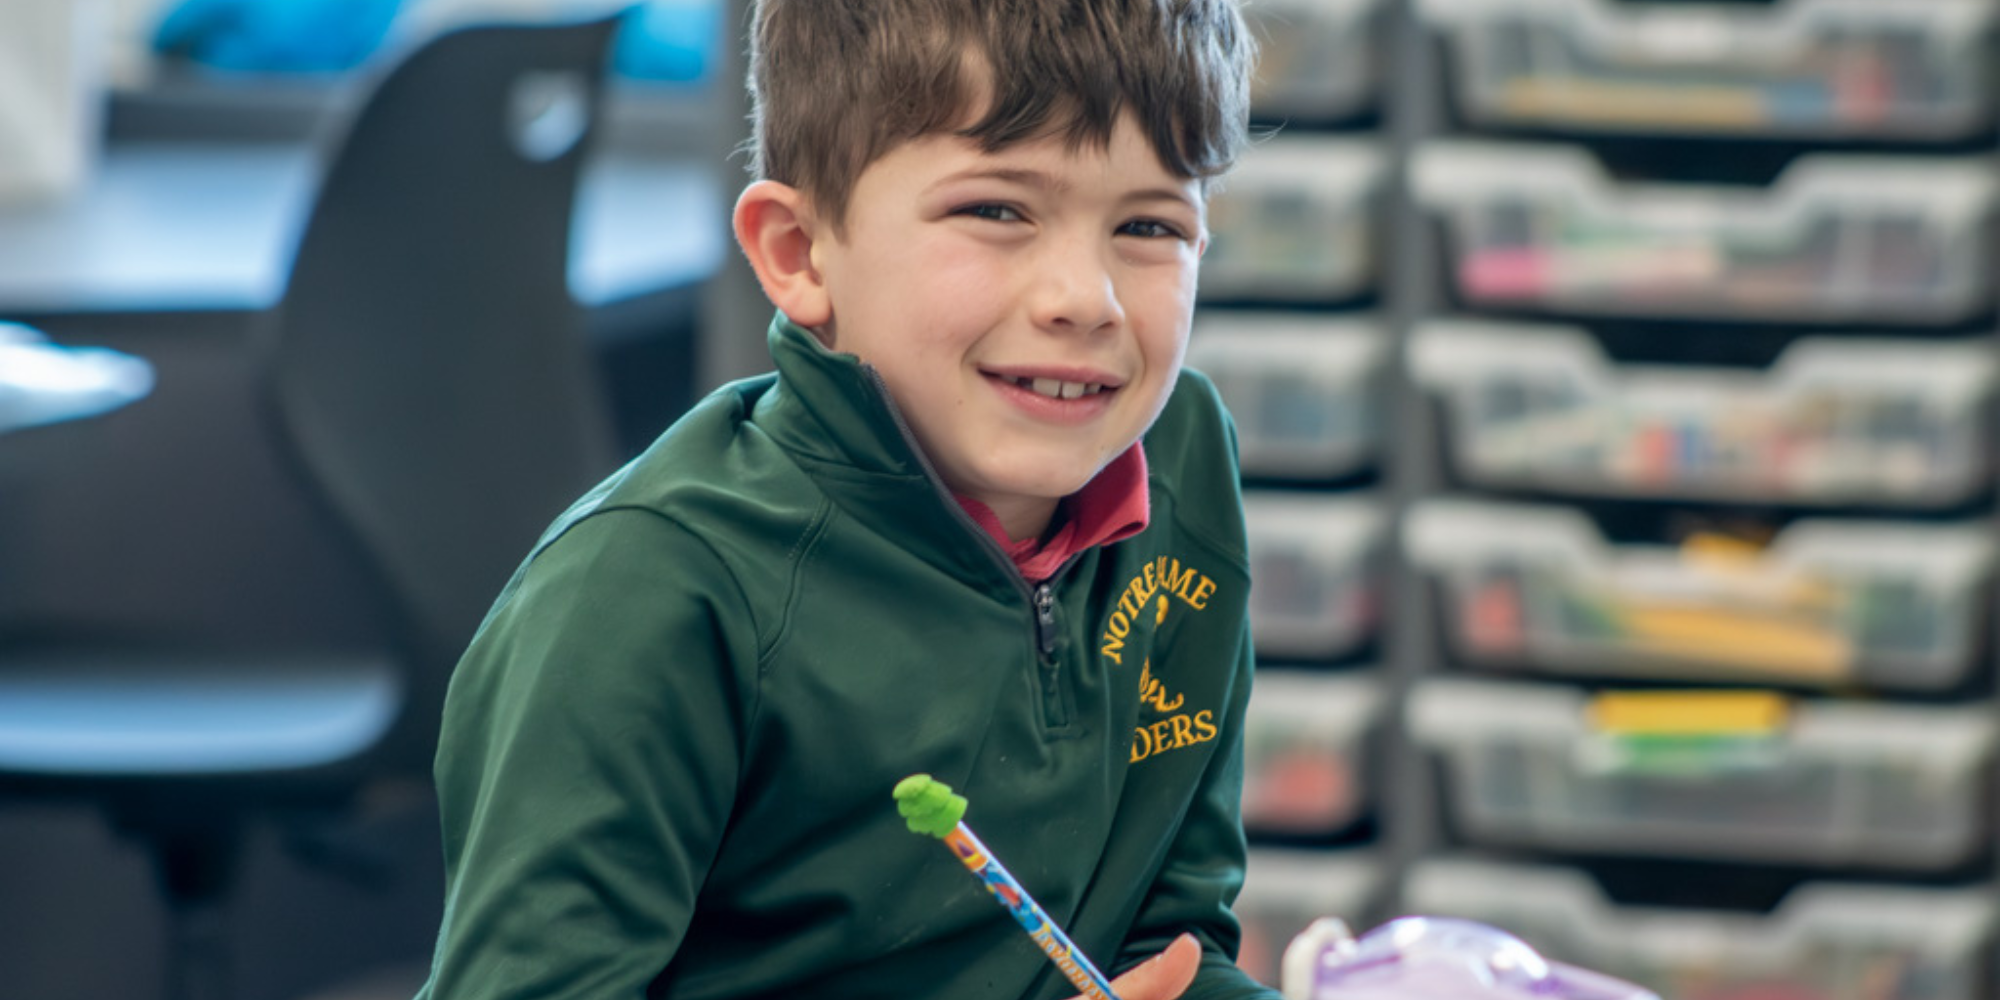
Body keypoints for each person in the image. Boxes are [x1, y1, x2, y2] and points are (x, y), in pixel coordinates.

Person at [414, 0, 1268, 997]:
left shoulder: (1180, 465)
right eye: (995, 210)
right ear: (797, 252)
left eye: (1148, 225)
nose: (1085, 298)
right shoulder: (650, 596)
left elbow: (1165, 947)